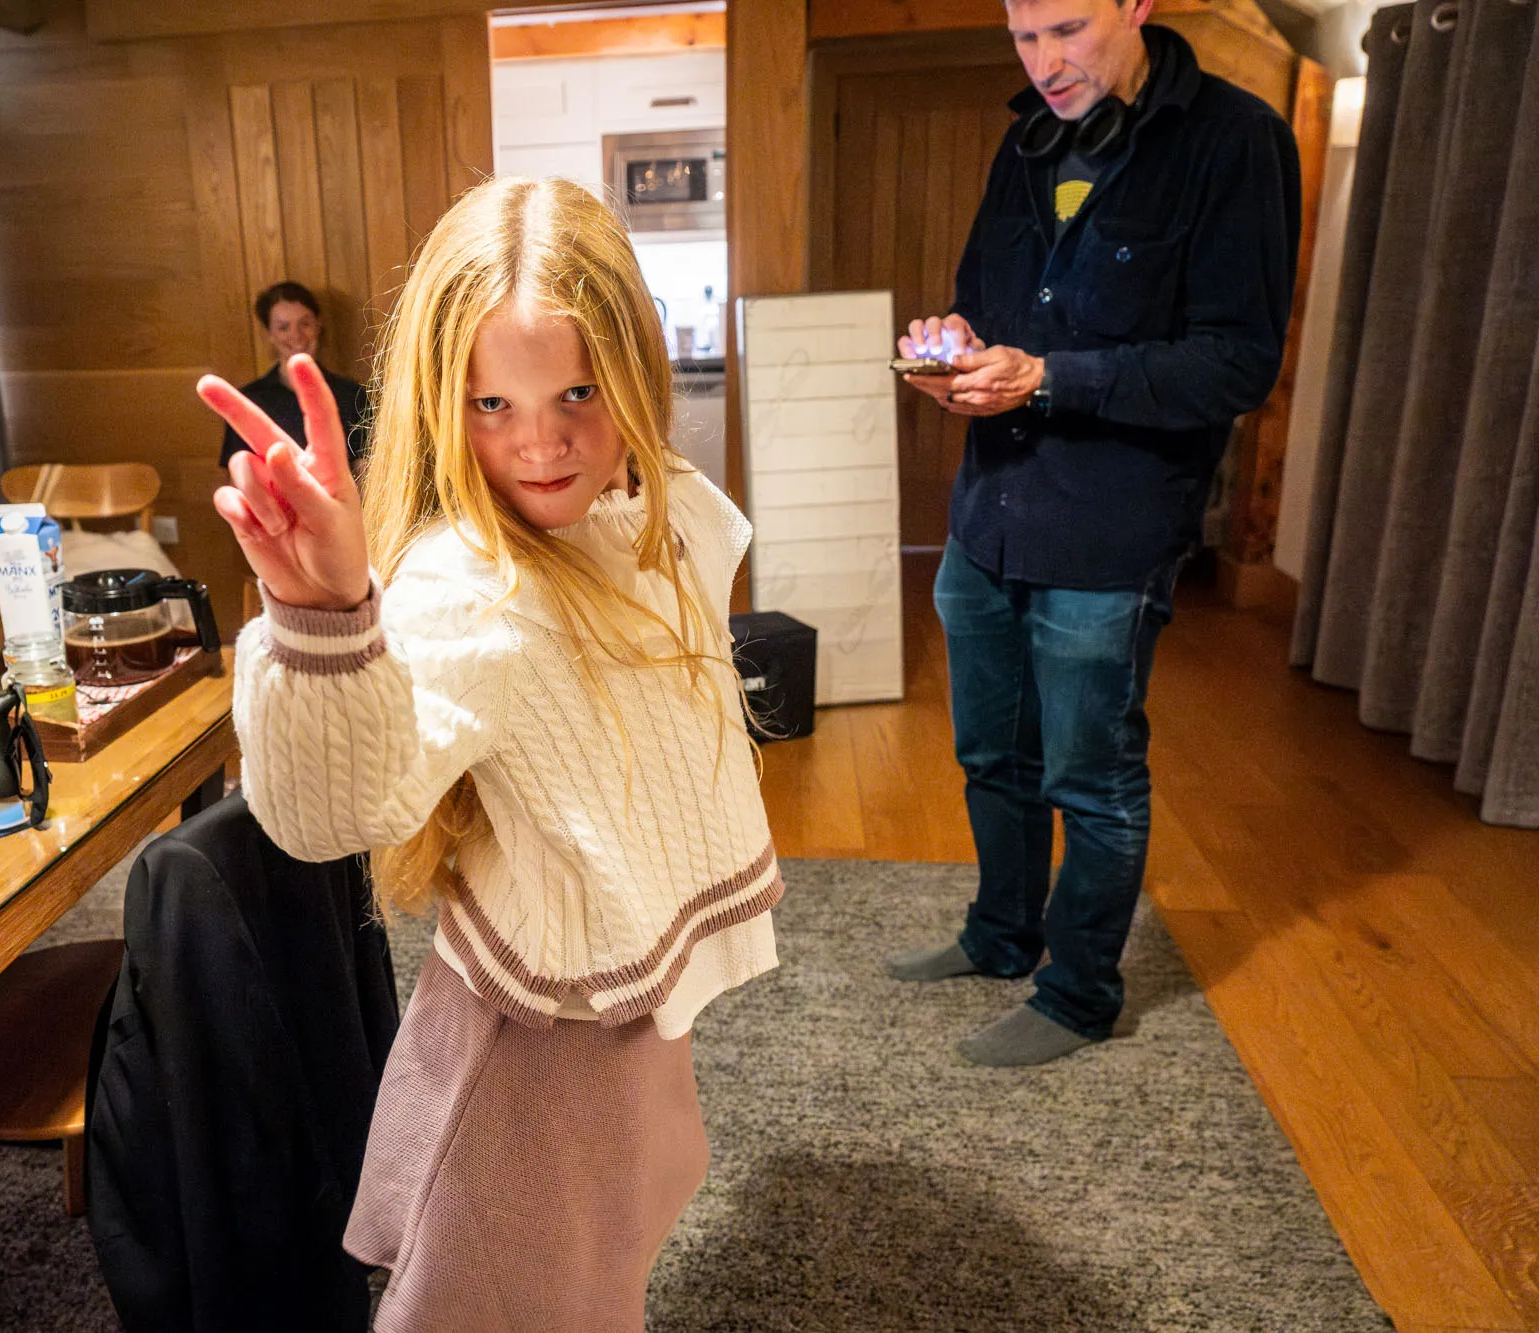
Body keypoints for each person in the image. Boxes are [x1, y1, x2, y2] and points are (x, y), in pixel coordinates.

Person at [196, 176, 781, 1330]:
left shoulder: (641, 513)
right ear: (437, 401)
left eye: (576, 390)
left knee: (603, 1263)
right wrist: (322, 618)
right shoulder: (471, 590)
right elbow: (333, 811)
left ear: (631, 372)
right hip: (536, 1048)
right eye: (490, 405)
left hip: (619, 1007)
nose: (542, 441)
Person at [885, 0, 1298, 1066]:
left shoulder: (1233, 139)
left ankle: (1076, 993)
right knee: (990, 755)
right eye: (1024, 36)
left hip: (1110, 532)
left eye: (1066, 29)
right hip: (987, 517)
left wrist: (1044, 377)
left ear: (1134, 5)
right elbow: (988, 311)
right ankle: (998, 935)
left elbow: (1234, 363)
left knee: (1089, 776)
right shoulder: (1025, 140)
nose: (1044, 60)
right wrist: (955, 351)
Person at [218, 280, 373, 471]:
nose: (296, 336)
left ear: (318, 325)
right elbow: (238, 475)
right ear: (270, 334)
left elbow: (367, 469)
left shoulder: (353, 395)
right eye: (283, 327)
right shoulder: (248, 401)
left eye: (305, 323)